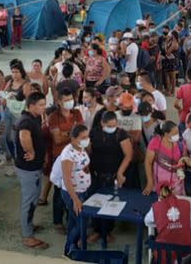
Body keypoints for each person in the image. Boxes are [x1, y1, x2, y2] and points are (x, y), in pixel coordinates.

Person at [88, 111, 134, 243]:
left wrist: (120, 172)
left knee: (111, 204)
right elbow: (88, 152)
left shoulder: (121, 134)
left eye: (114, 125)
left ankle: (107, 231)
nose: (112, 128)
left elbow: (128, 155)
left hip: (113, 175)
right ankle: (97, 231)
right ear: (102, 123)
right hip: (95, 174)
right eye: (109, 125)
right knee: (94, 202)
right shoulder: (94, 133)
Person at [42, 89, 84, 230]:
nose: (69, 102)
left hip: (76, 157)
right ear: (59, 101)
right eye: (66, 100)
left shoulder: (77, 113)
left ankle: (71, 218)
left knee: (74, 187)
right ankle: (57, 221)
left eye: (70, 99)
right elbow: (57, 139)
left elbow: (82, 133)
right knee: (60, 189)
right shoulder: (54, 117)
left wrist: (67, 133)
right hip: (60, 157)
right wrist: (73, 133)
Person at [14, 92, 49, 249]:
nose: (44, 107)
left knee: (33, 198)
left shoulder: (33, 117)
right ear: (31, 105)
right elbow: (23, 136)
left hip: (34, 168)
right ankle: (28, 236)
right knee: (29, 201)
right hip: (28, 169)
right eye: (41, 105)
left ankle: (29, 225)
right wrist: (32, 152)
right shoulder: (26, 121)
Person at [51, 124, 92, 255]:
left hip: (82, 189)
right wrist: (75, 199)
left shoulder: (81, 148)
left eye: (87, 136)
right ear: (73, 138)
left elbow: (82, 165)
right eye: (83, 137)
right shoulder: (68, 154)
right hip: (73, 193)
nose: (87, 139)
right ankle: (69, 249)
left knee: (73, 221)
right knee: (81, 223)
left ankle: (73, 247)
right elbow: (67, 178)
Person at [144, 183, 191, 253]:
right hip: (184, 256)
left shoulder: (156, 207)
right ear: (173, 191)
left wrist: (162, 224)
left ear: (159, 196)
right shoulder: (186, 203)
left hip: (163, 258)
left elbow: (147, 222)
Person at [143, 120, 187, 195]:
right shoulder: (155, 142)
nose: (177, 135)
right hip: (160, 183)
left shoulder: (180, 142)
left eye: (178, 132)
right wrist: (150, 182)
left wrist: (183, 163)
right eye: (174, 133)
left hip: (177, 184)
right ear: (166, 134)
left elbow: (184, 158)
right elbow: (148, 162)